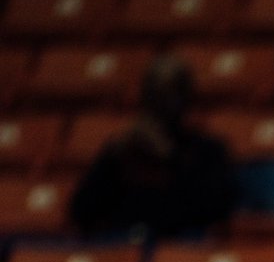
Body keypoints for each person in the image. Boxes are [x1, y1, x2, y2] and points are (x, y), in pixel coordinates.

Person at [69, 55, 238, 241]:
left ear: (186, 96)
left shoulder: (207, 151)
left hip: (179, 250)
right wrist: (113, 159)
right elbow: (81, 212)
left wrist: (170, 157)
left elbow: (213, 210)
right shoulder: (123, 149)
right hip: (124, 246)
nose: (162, 103)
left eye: (170, 92)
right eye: (154, 93)